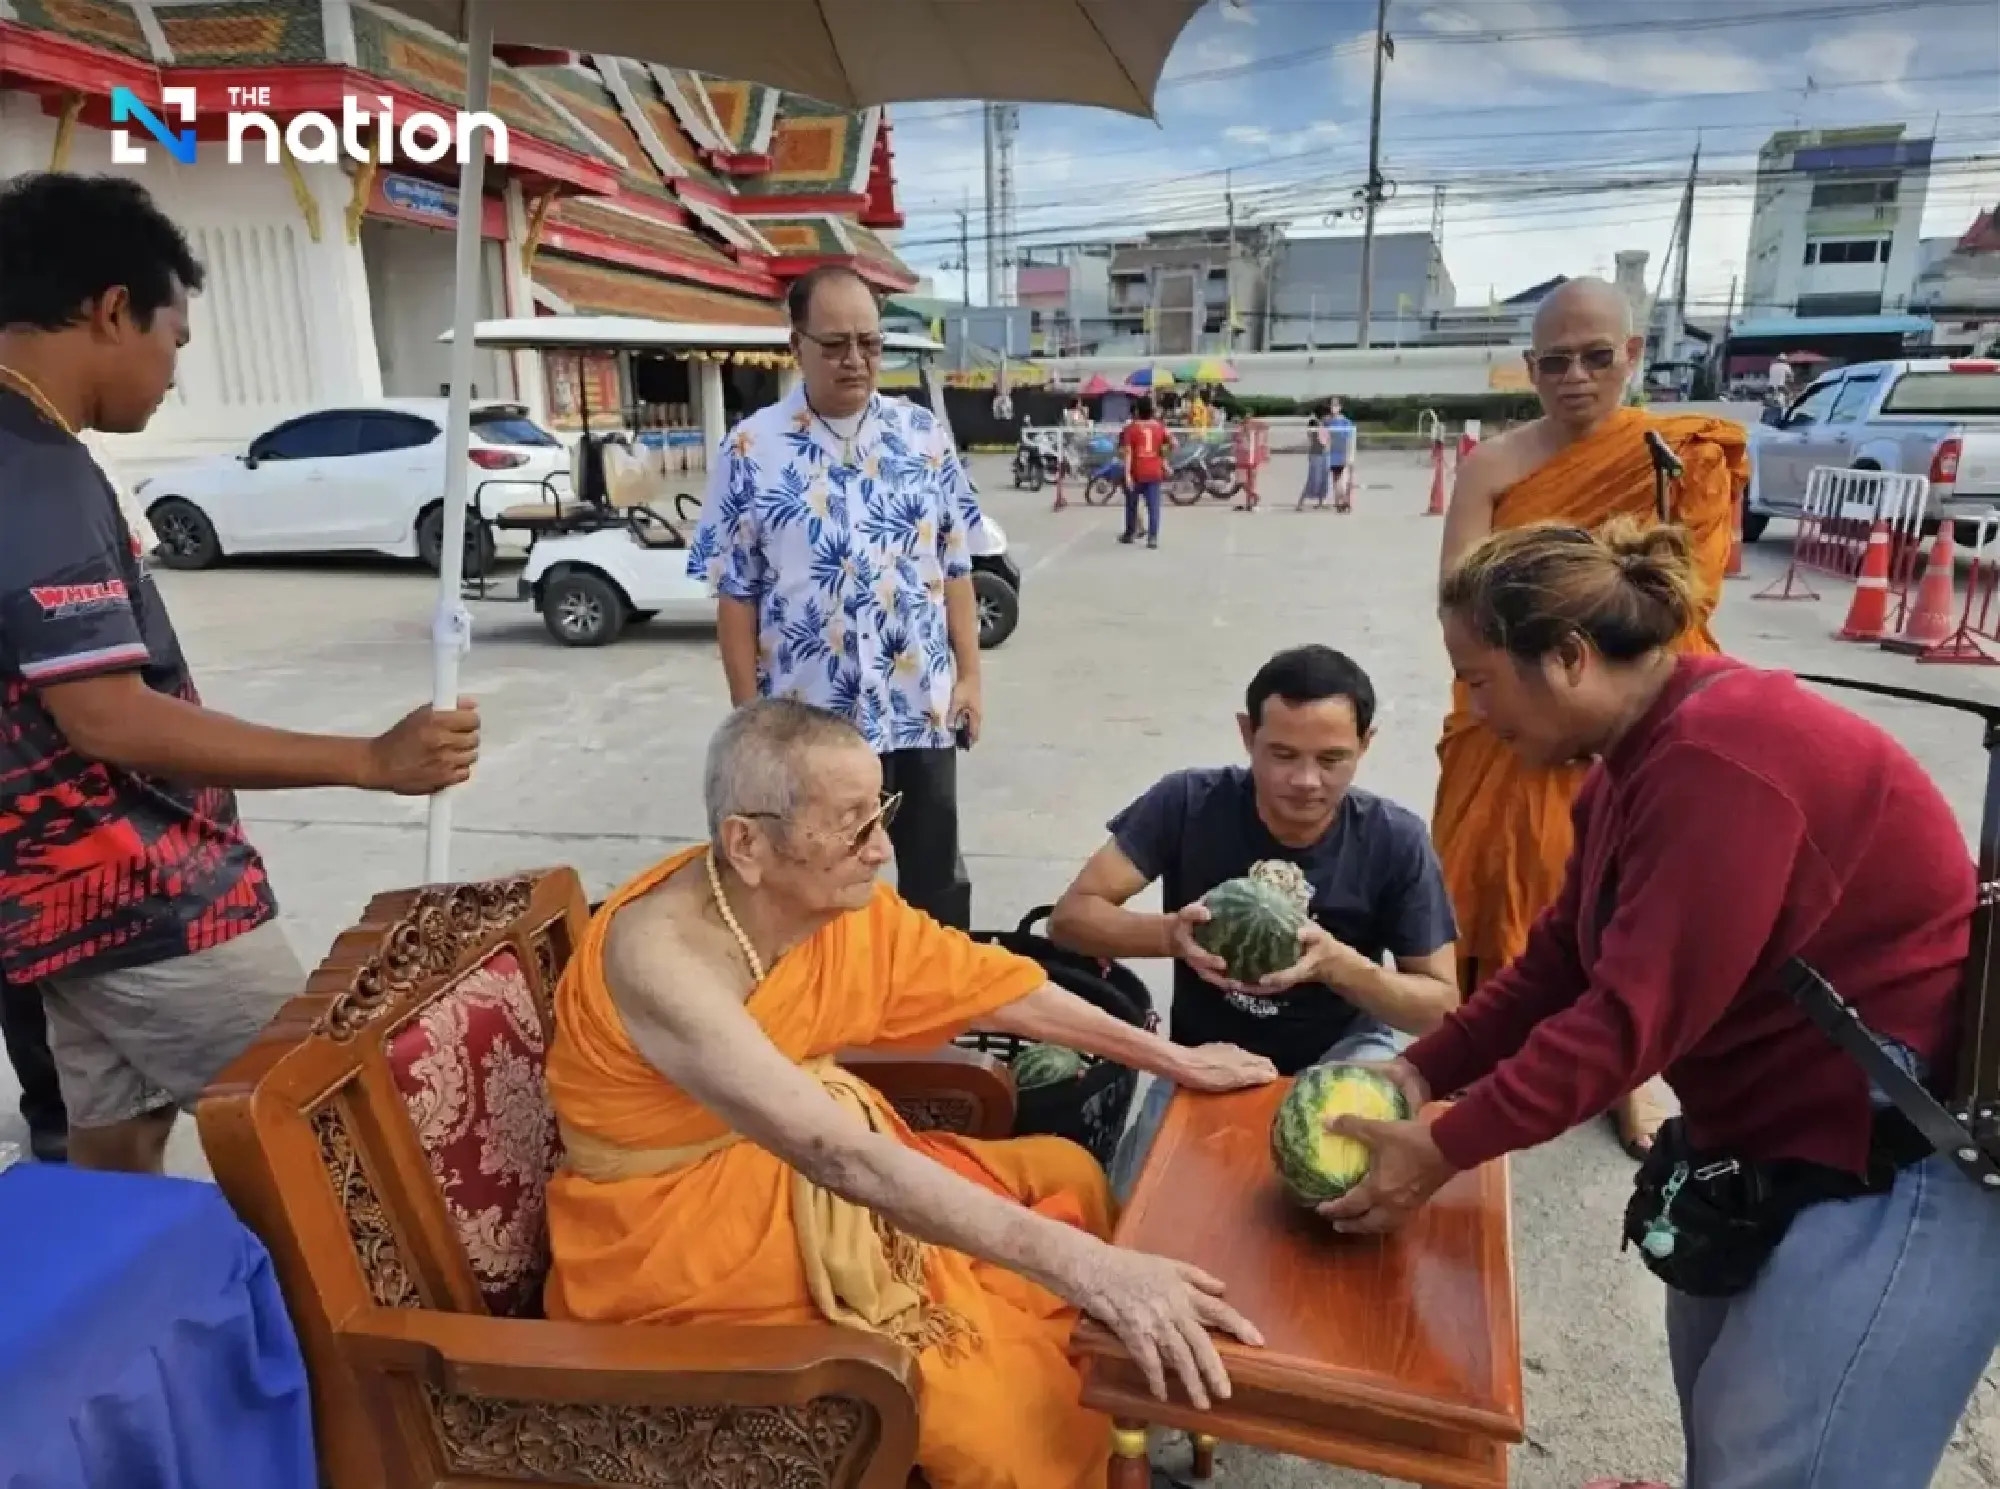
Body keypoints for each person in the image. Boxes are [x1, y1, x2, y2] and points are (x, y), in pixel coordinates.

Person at [1320, 518, 2000, 1489]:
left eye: (1479, 678)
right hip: (1765, 1131)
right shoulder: (1626, 766)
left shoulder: (1720, 762)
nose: (1471, 708)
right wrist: (1417, 1071)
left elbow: (1625, 1021)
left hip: (1891, 1147)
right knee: (1724, 1425)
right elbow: (1558, 965)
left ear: (1567, 656)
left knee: (1790, 1463)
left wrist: (1445, 1145)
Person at [544, 698, 1277, 1489]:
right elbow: (836, 1154)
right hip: (686, 1244)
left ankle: (1106, 1409)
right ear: (747, 842)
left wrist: (1171, 1057)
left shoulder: (817, 902)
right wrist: (1092, 1270)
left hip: (807, 1164)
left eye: (880, 811)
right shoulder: (661, 961)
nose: (883, 847)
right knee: (1001, 1411)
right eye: (853, 826)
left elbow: (990, 983)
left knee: (1068, 1173)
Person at [0, 172, 481, 1174]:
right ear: (113, 310)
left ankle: (131, 1278)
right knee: (341, 1146)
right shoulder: (36, 469)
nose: (174, 374)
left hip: (63, 909)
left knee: (117, 1145)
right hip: (143, 893)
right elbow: (106, 716)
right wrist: (367, 760)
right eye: (175, 340)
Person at [1431, 276, 1745, 1158]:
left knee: (1627, 893)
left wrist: (1600, 706)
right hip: (1512, 719)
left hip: (1625, 713)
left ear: (1633, 355)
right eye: (1556, 361)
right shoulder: (1493, 465)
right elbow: (1460, 601)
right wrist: (1537, 698)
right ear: (1531, 367)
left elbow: (1686, 596)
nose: (1576, 377)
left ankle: (1627, 1072)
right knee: (1494, 874)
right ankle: (1480, 1040)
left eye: (1597, 357)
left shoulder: (1675, 456)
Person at [1048, 645, 1459, 1200]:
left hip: (1344, 1054)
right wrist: (1171, 935)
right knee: (1138, 1206)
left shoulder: (1395, 839)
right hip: (1207, 1054)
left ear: (1366, 744)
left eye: (1332, 759)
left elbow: (1440, 1009)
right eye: (1282, 754)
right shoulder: (1187, 803)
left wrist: (1338, 966)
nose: (1306, 780)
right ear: (1247, 735)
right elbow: (1071, 918)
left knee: (1356, 1197)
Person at [687, 264, 985, 931]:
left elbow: (956, 564)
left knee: (935, 873)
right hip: (810, 719)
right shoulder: (751, 449)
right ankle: (828, 990)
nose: (855, 359)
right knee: (819, 879)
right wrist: (751, 718)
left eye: (869, 342)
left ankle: (938, 986)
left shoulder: (922, 437)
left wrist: (969, 676)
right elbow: (736, 595)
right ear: (796, 345)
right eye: (835, 344)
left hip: (918, 706)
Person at [1116, 394, 1173, 550]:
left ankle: (1130, 533)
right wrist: (1163, 459)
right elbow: (1174, 443)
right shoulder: (1159, 427)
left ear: (1137, 411)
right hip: (1154, 471)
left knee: (1131, 505)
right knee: (1153, 507)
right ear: (1152, 410)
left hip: (1136, 472)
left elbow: (1128, 453)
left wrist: (1127, 474)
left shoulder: (1131, 428)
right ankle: (1152, 537)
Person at [1323, 397, 1357, 512]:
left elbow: (1350, 440)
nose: (1333, 407)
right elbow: (1324, 438)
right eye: (1332, 405)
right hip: (1332, 455)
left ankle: (1345, 502)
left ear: (1340, 407)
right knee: (1335, 479)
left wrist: (1349, 456)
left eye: (1336, 405)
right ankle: (1338, 503)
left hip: (1344, 454)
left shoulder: (1346, 422)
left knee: (1344, 481)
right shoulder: (1327, 421)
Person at [1297, 412, 1331, 509]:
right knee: (1313, 479)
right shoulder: (1313, 423)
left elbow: (1328, 440)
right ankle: (1300, 503)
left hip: (1325, 454)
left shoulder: (1326, 425)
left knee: (1324, 478)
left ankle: (1321, 502)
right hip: (1315, 454)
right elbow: (1314, 438)